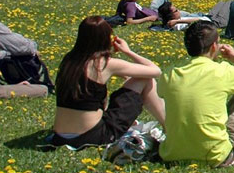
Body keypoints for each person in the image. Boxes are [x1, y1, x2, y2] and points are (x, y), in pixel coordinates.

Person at [159, 22, 234, 166]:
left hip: (172, 154)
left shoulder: (169, 73)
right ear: (214, 46)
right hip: (216, 156)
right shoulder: (222, 71)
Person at [50, 16, 166, 148]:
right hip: (92, 136)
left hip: (59, 137)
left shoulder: (69, 61)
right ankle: (168, 127)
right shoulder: (105, 64)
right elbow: (155, 71)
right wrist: (128, 52)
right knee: (146, 79)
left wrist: (126, 77)